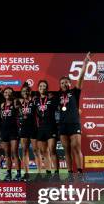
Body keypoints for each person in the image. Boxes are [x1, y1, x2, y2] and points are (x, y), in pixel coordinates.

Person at [57, 52, 91, 180]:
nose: (64, 84)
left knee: (76, 147)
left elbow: (81, 77)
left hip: (74, 123)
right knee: (66, 150)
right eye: (62, 83)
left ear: (69, 83)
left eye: (66, 82)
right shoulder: (56, 96)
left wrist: (86, 62)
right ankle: (70, 174)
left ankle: (81, 173)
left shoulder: (75, 92)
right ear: (60, 85)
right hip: (62, 125)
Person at [33, 80, 59, 179]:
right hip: (41, 128)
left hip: (51, 126)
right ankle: (48, 173)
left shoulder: (52, 99)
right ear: (38, 88)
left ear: (47, 88)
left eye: (44, 86)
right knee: (44, 152)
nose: (42, 87)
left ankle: (56, 174)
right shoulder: (35, 101)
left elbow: (60, 108)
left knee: (52, 150)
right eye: (40, 86)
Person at [0, 87, 21, 181]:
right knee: (7, 154)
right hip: (4, 130)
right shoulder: (2, 105)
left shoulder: (15, 102)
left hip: (14, 130)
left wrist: (14, 99)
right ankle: (8, 174)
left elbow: (20, 104)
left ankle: (18, 174)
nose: (7, 93)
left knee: (14, 153)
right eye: (5, 92)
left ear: (12, 93)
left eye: (9, 92)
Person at [17, 83, 36, 180]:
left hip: (33, 127)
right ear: (21, 92)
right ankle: (26, 173)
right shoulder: (19, 102)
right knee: (24, 151)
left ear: (30, 92)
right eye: (23, 91)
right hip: (24, 128)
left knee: (36, 151)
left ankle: (40, 173)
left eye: (27, 91)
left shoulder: (34, 101)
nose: (25, 92)